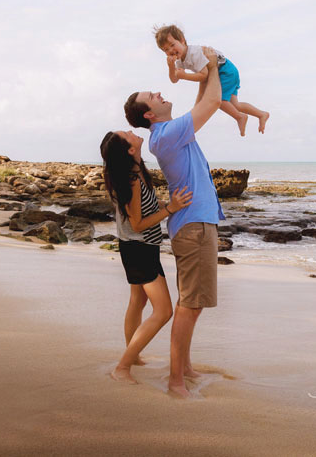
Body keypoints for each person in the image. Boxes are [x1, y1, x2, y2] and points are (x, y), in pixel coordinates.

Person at [123, 46, 224, 398]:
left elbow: (202, 102)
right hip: (194, 226)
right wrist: (210, 64)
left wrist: (206, 75)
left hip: (197, 223)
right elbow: (210, 105)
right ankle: (176, 379)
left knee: (192, 305)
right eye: (153, 95)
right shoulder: (165, 135)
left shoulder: (171, 132)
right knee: (190, 305)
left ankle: (185, 367)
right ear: (149, 114)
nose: (161, 92)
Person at [100, 129, 193, 385]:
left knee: (137, 301)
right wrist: (171, 208)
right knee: (163, 311)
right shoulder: (130, 178)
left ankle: (134, 355)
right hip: (139, 247)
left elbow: (143, 208)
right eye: (127, 134)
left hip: (139, 246)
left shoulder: (137, 168)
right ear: (130, 150)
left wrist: (165, 204)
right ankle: (122, 366)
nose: (131, 131)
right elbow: (138, 223)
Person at [154, 24, 270, 136]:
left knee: (218, 100)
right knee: (235, 104)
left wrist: (185, 76)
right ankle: (261, 114)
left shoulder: (194, 53)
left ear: (182, 40)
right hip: (226, 71)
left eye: (172, 45)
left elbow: (204, 75)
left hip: (224, 70)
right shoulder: (179, 61)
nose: (170, 50)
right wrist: (171, 67)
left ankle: (240, 117)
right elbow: (174, 80)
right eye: (166, 49)